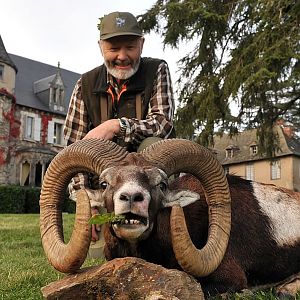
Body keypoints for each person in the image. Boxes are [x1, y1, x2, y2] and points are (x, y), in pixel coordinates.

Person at [63, 11, 175, 243]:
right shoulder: (84, 85)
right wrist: (88, 206)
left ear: (141, 45)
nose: (122, 56)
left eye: (130, 47)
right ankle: (108, 220)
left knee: (153, 144)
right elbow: (73, 150)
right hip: (107, 190)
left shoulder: (156, 71)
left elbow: (162, 123)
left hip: (146, 186)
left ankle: (161, 225)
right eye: (114, 48)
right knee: (101, 254)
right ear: (101, 47)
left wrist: (118, 125)